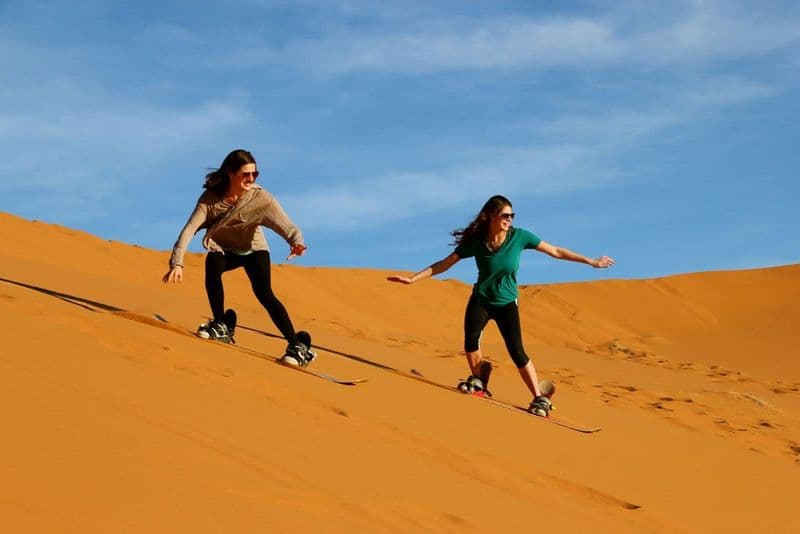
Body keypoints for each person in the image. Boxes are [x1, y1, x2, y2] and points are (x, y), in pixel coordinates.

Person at [387, 195, 614, 417]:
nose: (510, 219)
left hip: (506, 303)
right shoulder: (477, 242)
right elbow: (444, 265)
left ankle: (539, 397)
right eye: (505, 215)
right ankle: (479, 380)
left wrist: (590, 261)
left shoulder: (520, 237)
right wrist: (413, 279)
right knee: (470, 343)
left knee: (517, 352)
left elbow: (555, 251)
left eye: (512, 215)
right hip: (481, 299)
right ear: (491, 216)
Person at [162, 149, 314, 366]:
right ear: (230, 174)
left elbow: (286, 225)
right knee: (212, 263)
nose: (251, 179)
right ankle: (221, 324)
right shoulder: (210, 200)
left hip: (254, 250)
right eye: (246, 174)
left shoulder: (262, 198)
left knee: (264, 293)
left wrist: (296, 242)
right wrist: (177, 263)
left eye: (255, 174)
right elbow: (189, 229)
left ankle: (297, 346)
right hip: (226, 250)